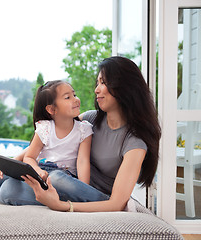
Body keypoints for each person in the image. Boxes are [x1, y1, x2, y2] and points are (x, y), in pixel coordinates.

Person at [22, 56, 161, 212]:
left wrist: (61, 205)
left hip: (92, 195)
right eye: (97, 83)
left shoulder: (134, 143)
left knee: (56, 178)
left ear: (124, 88)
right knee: (7, 187)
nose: (96, 90)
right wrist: (13, 162)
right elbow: (52, 141)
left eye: (103, 83)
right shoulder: (91, 118)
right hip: (67, 182)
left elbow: (117, 204)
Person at [0, 80, 96, 205]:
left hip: (63, 177)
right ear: (51, 109)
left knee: (55, 178)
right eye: (67, 97)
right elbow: (29, 157)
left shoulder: (83, 130)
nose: (76, 99)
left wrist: (82, 189)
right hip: (38, 171)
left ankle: (98, 199)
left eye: (74, 94)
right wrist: (36, 170)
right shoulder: (45, 128)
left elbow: (83, 161)